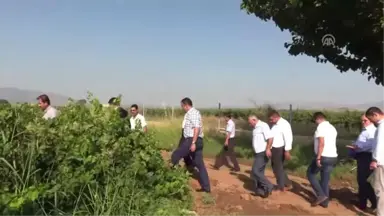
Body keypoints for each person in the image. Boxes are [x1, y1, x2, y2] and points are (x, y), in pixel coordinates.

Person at [171, 97, 210, 193]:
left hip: (192, 140)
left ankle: (171, 178)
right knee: (199, 164)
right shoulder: (195, 113)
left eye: (182, 106)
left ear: (186, 105)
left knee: (175, 155)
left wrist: (193, 142)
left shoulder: (192, 113)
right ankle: (206, 187)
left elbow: (196, 128)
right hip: (197, 140)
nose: (182, 108)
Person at [307, 112, 338, 207]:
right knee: (325, 179)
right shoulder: (332, 128)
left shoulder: (321, 127)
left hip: (324, 156)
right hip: (333, 157)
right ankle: (325, 202)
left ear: (318, 119)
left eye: (315, 121)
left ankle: (321, 195)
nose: (315, 123)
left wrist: (318, 157)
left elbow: (321, 143)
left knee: (310, 174)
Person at [347, 114, 377, 211]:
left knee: (363, 181)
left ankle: (368, 203)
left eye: (365, 120)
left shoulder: (371, 131)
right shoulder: (366, 130)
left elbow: (371, 145)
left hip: (366, 157)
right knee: (363, 181)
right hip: (363, 156)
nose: (363, 122)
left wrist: (357, 147)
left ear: (371, 120)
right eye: (362, 121)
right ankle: (365, 202)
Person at [248, 115, 274, 198]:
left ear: (254, 120)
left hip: (263, 152)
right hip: (258, 152)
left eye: (250, 122)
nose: (250, 124)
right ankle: (261, 191)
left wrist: (268, 149)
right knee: (259, 172)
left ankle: (269, 185)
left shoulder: (263, 125)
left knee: (255, 171)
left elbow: (270, 138)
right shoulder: (255, 128)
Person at [365, 107, 384, 216]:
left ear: (375, 114)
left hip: (381, 162)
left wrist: (375, 159)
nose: (372, 121)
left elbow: (380, 144)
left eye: (371, 119)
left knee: (379, 188)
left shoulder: (382, 126)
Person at [267, 109, 293, 192]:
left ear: (276, 117)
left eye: (271, 119)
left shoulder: (284, 124)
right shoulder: (275, 125)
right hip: (274, 148)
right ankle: (287, 183)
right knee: (277, 167)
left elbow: (288, 138)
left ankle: (280, 186)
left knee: (277, 168)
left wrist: (287, 151)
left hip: (279, 148)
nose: (270, 121)